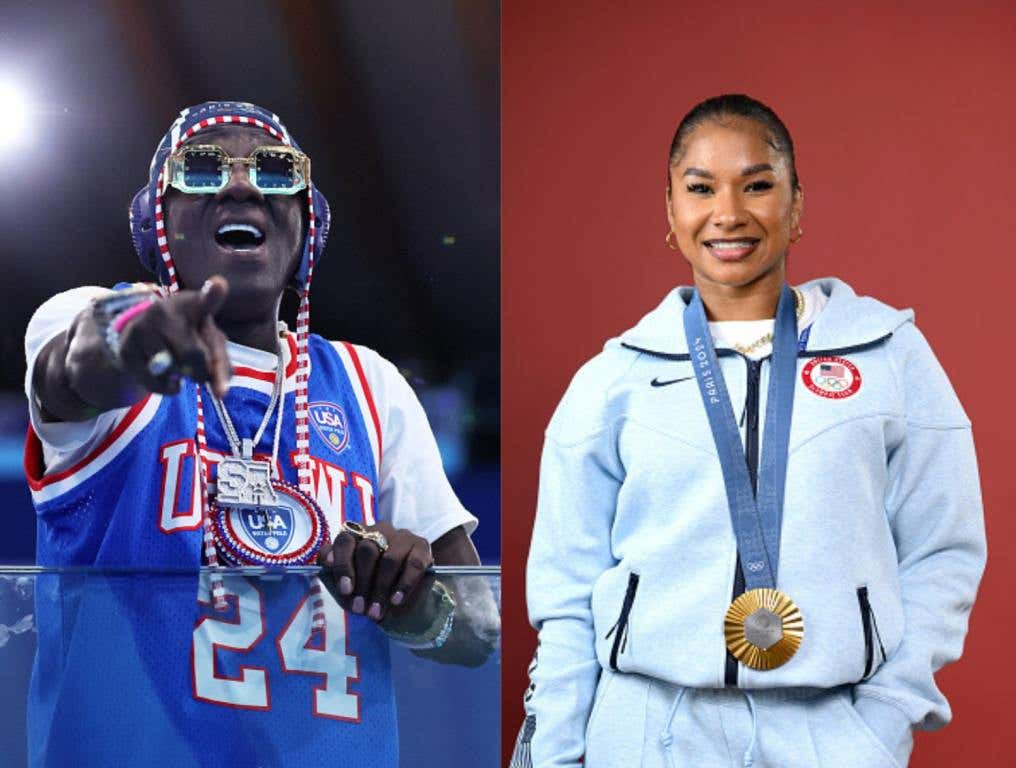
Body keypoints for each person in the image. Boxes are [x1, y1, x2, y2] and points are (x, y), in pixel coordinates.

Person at [512, 94, 986, 768]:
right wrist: (556, 752)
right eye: (700, 188)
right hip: (646, 731)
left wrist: (885, 722)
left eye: (758, 185)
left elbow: (945, 551)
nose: (728, 213)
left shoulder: (889, 357)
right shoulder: (613, 380)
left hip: (828, 733)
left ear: (795, 207)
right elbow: (565, 592)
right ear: (671, 212)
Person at [24, 101, 495, 767]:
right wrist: (134, 335)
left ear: (307, 227)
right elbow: (79, 362)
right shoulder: (81, 319)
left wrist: (413, 602)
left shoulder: (371, 385)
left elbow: (478, 630)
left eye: (276, 173)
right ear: (158, 221)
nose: (242, 186)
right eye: (204, 169)